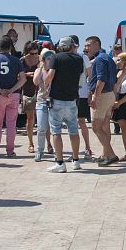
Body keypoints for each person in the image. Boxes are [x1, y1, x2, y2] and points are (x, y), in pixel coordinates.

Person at [45, 36, 83, 172]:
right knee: (74, 131)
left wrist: (45, 88)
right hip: (72, 99)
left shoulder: (57, 57)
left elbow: (50, 76)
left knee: (56, 131)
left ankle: (60, 163)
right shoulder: (79, 59)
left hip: (57, 99)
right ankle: (76, 160)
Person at [85, 36, 120, 166]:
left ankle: (111, 155)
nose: (86, 48)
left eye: (88, 45)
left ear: (96, 44)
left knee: (96, 127)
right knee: (105, 127)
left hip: (102, 96)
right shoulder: (108, 58)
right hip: (109, 94)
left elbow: (101, 79)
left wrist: (95, 96)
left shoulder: (99, 59)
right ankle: (105, 153)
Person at [71, 35, 94, 160]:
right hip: (70, 94)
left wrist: (91, 91)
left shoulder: (83, 57)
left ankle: (87, 147)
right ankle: (75, 151)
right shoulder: (65, 57)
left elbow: (90, 75)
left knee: (81, 121)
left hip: (81, 93)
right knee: (72, 123)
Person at [33, 48, 55, 161]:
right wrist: (41, 67)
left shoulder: (55, 70)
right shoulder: (39, 70)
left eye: (52, 57)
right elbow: (35, 82)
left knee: (55, 128)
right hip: (41, 101)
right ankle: (40, 150)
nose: (50, 60)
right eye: (47, 58)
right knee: (41, 127)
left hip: (53, 101)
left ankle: (56, 150)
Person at [20, 41, 40, 155]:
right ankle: (31, 143)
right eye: (31, 53)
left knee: (44, 121)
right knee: (30, 118)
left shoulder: (41, 59)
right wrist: (27, 75)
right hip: (28, 91)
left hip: (40, 91)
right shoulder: (22, 61)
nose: (34, 56)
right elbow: (17, 75)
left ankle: (48, 143)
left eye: (35, 53)